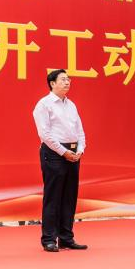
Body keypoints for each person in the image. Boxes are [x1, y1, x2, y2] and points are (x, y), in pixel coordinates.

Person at [33, 70, 88, 252]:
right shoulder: (44, 104)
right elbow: (45, 134)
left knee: (69, 197)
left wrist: (80, 150)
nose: (67, 82)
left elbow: (80, 130)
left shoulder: (71, 105)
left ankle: (66, 237)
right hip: (54, 153)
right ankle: (49, 238)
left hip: (73, 153)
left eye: (68, 79)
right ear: (52, 83)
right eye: (63, 80)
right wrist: (64, 152)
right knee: (53, 197)